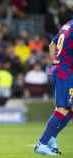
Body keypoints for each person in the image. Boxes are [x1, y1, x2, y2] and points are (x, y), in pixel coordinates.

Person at [34, 19, 73, 156]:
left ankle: (51, 138)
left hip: (62, 70)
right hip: (66, 73)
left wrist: (55, 61)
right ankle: (42, 143)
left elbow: (52, 44)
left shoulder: (67, 25)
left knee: (69, 108)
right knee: (62, 108)